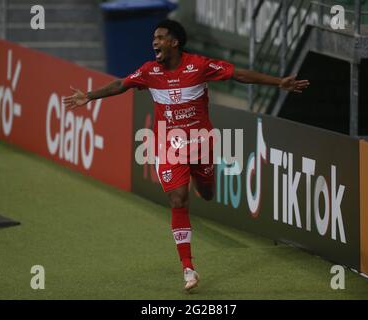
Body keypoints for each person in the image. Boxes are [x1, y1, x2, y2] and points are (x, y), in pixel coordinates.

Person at [63, 19, 309, 291]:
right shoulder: (149, 71)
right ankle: (188, 268)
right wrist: (89, 95)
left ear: (174, 42)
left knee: (206, 192)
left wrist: (279, 83)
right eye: (153, 37)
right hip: (168, 146)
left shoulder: (199, 66)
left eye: (160, 37)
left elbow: (239, 74)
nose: (154, 42)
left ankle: (204, 180)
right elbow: (120, 84)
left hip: (201, 143)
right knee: (178, 198)